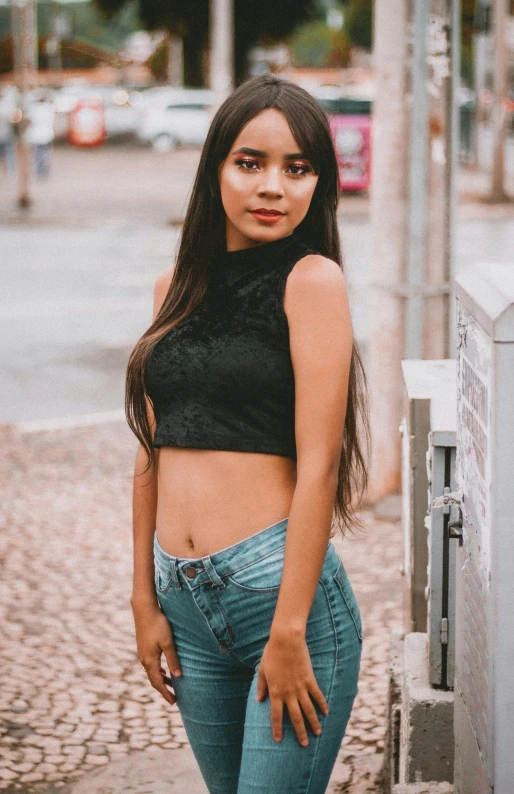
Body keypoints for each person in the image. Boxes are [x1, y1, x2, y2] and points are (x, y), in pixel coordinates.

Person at [125, 73, 371, 794]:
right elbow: (150, 452)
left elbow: (320, 464)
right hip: (184, 603)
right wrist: (143, 598)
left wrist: (290, 629)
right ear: (217, 170)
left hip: (281, 602)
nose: (273, 186)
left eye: (297, 169)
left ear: (318, 185)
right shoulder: (176, 284)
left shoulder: (312, 280)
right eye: (251, 162)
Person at [25, 92, 55, 177]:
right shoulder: (49, 108)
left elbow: (30, 120)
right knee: (45, 154)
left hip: (37, 136)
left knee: (38, 154)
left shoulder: (34, 109)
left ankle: (39, 171)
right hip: (46, 135)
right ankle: (43, 170)